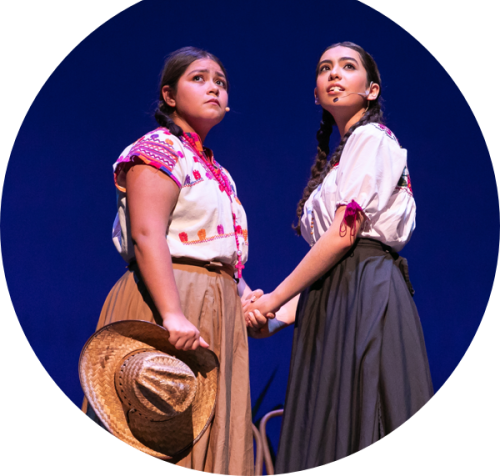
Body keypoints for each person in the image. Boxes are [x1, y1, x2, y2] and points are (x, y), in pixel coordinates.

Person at [244, 42, 434, 471]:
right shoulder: (344, 156)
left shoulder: (372, 138)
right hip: (337, 296)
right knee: (333, 427)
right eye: (325, 68)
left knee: (365, 416)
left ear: (371, 89)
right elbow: (329, 259)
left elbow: (342, 237)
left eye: (347, 67)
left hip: (365, 290)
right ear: (315, 94)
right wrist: (277, 317)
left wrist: (273, 298)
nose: (334, 74)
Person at [81, 47, 255, 475]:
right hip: (169, 295)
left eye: (221, 81)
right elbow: (146, 233)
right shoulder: (158, 148)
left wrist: (248, 300)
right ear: (169, 96)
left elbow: (221, 253)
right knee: (158, 425)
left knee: (212, 441)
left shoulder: (218, 172)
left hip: (217, 305)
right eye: (199, 78)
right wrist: (172, 313)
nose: (214, 85)